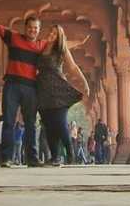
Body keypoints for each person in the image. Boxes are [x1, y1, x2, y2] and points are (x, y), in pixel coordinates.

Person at [0, 1, 49, 167]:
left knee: (30, 123)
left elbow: (61, 47)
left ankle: (32, 158)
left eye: (36, 28)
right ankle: (6, 158)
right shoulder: (14, 38)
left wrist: (77, 43)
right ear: (25, 27)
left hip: (31, 87)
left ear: (39, 30)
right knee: (8, 121)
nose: (33, 30)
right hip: (12, 85)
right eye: (30, 27)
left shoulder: (42, 45)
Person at [36, 25, 90, 166]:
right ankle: (55, 157)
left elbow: (72, 67)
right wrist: (77, 42)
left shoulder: (61, 49)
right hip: (43, 91)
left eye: (55, 33)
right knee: (48, 125)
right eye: (51, 32)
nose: (52, 34)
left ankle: (70, 153)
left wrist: (84, 83)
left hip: (59, 90)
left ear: (59, 36)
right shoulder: (41, 46)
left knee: (60, 123)